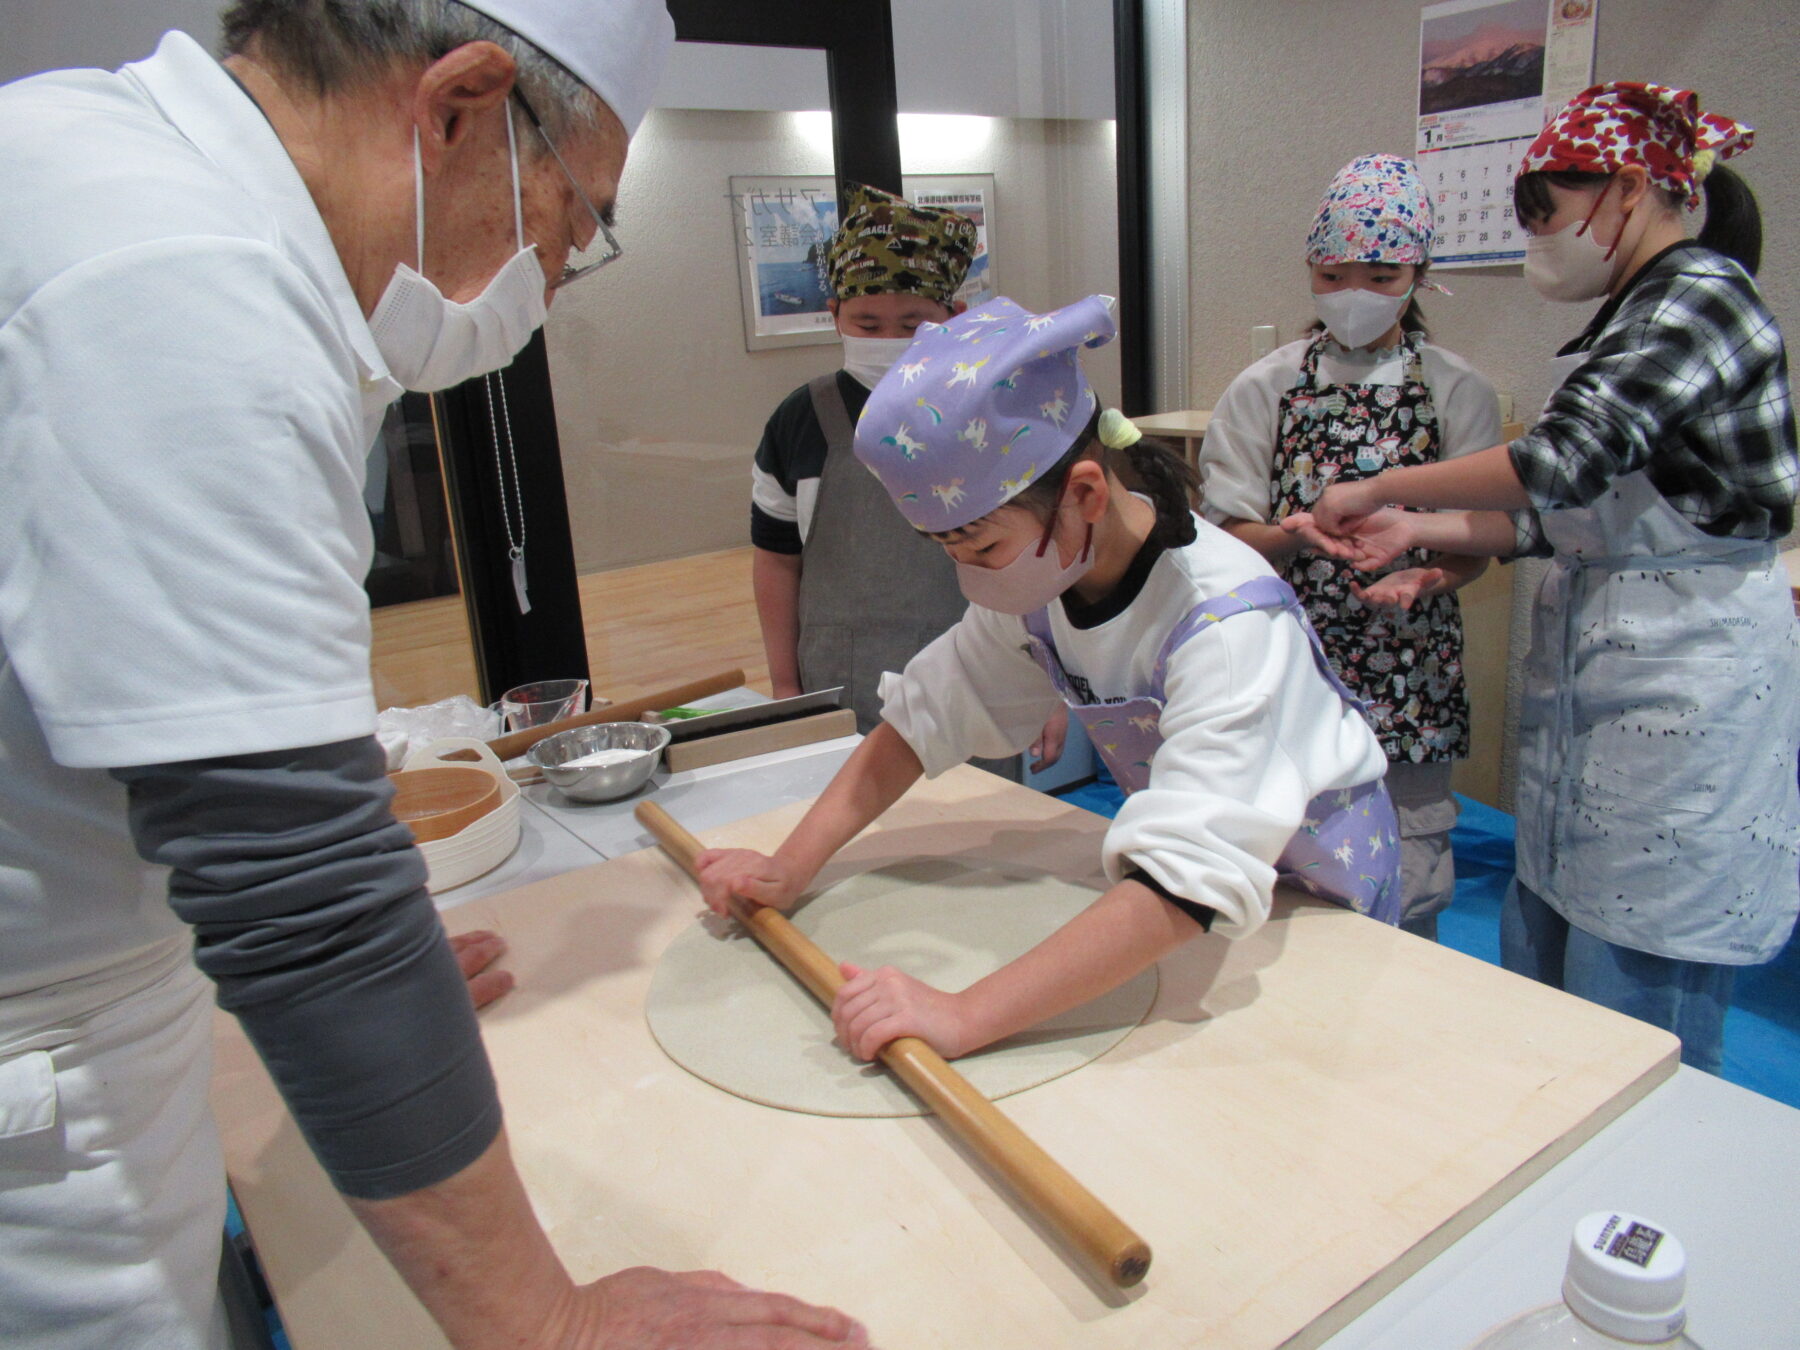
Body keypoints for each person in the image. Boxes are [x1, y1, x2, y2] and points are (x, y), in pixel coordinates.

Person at [0, 3, 865, 1347]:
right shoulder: (178, 280)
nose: (553, 279)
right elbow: (291, 876)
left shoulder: (81, 159)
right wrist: (549, 1321)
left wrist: (335, 982)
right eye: (571, 222)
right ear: (460, 105)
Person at [697, 295, 1400, 1065]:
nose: (966, 577)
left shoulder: (1225, 628)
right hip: (1201, 895)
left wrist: (961, 1015)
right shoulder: (1042, 579)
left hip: (1317, 905)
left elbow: (1185, 885)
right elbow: (922, 720)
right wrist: (788, 865)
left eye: (981, 547)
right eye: (946, 551)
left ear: (1087, 495)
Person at [1294, 82, 1799, 1074]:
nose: (1538, 242)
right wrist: (1421, 532)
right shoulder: (1628, 319)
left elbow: (1560, 463)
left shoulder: (1703, 296)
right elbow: (1576, 517)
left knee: (1638, 998)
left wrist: (1381, 487)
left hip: (1684, 685)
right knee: (1547, 973)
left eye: (1545, 214)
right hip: (1597, 681)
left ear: (1626, 191)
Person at [1199, 153, 1503, 941]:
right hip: (1288, 666)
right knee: (1287, 868)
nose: (1352, 295)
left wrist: (1430, 577)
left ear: (1416, 275)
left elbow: (1482, 535)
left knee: (1410, 879)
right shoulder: (1264, 389)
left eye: (1377, 274)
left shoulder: (1455, 391)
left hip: (1412, 670)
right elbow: (1229, 535)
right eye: (1332, 276)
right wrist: (1293, 536)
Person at [751, 184, 1064, 774]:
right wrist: (785, 684)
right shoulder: (800, 422)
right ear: (836, 316)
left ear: (954, 318)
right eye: (867, 323)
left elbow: (1039, 562)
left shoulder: (995, 414)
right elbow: (776, 558)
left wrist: (1047, 688)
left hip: (976, 681)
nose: (887, 340)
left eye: (911, 322)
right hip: (838, 687)